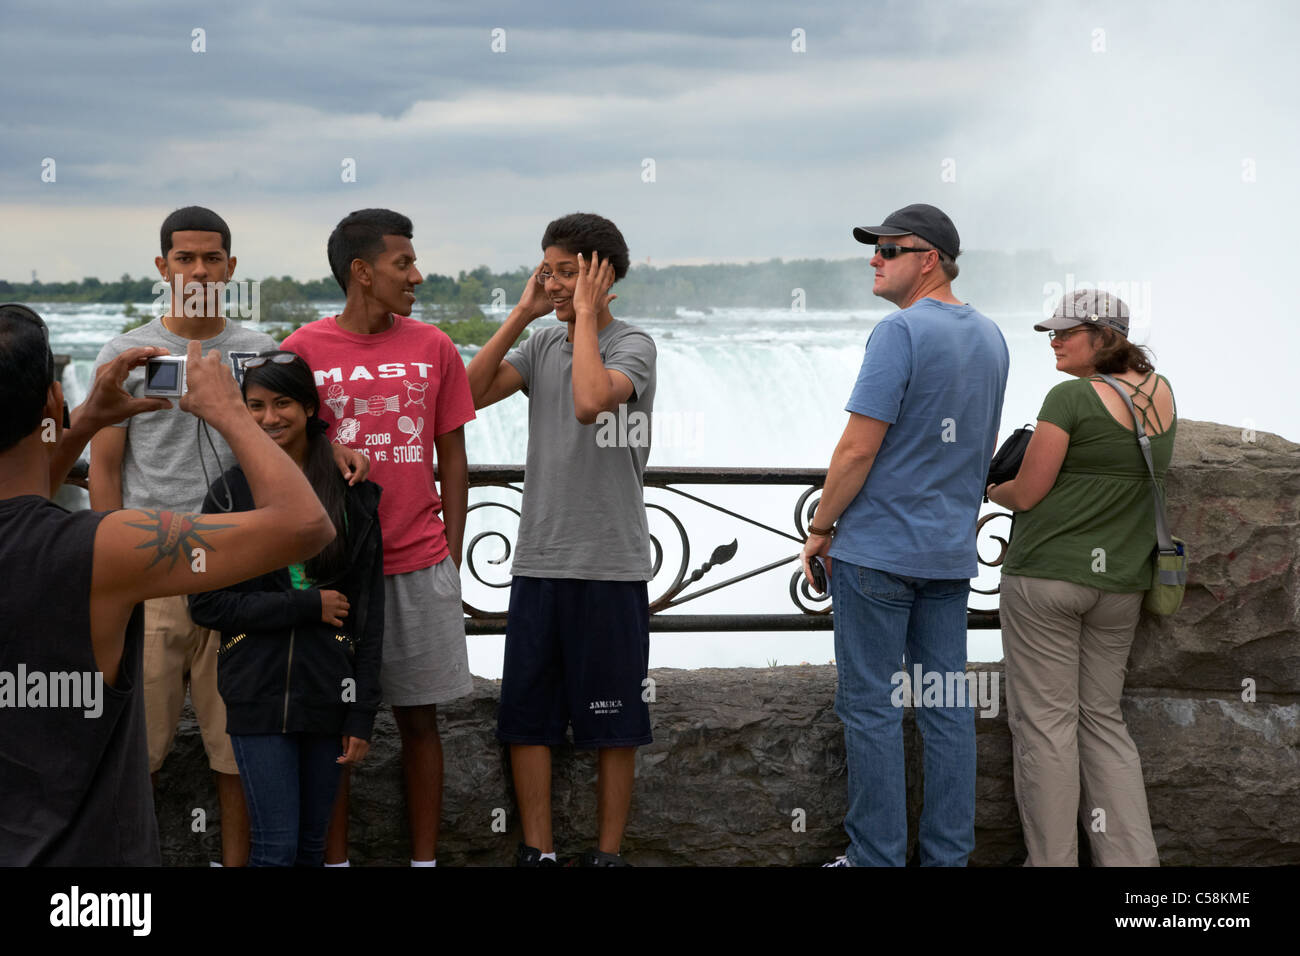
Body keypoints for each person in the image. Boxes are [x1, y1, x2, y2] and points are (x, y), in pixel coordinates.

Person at [0, 304, 335, 865]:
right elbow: (307, 526)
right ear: (53, 400)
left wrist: (82, 424)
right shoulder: (106, 551)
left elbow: (21, 506)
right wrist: (230, 411)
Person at [88, 206, 368, 866]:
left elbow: (297, 441)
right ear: (162, 268)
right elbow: (104, 468)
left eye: (212, 258)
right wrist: (109, 574)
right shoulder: (127, 354)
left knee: (236, 751)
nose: (198, 270)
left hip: (239, 574)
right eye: (184, 258)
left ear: (231, 268)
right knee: (139, 750)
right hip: (151, 580)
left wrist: (347, 452)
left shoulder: (261, 352)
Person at [801, 204, 1009, 867]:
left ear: (928, 259)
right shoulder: (993, 337)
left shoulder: (899, 334)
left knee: (871, 707)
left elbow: (858, 449)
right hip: (948, 554)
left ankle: (877, 858)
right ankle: (947, 859)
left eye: (888, 249)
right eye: (875, 249)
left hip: (878, 553)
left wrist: (821, 525)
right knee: (947, 706)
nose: (875, 258)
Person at [282, 209, 475, 868]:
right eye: (403, 264)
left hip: (418, 564)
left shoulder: (435, 347)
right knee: (336, 725)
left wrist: (452, 540)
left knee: (421, 722)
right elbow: (279, 441)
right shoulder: (302, 350)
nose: (417, 276)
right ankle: (335, 862)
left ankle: (424, 863)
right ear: (362, 272)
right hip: (333, 570)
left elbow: (452, 454)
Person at [466, 212, 656, 867]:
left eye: (568, 272)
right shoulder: (542, 343)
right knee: (528, 716)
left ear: (604, 278)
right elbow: (463, 397)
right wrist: (523, 313)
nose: (553, 283)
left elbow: (589, 400)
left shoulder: (634, 345)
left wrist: (581, 318)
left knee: (615, 724)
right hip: (540, 558)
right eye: (548, 270)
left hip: (610, 563)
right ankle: (536, 852)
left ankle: (607, 855)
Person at [986, 290, 1172, 866]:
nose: (1054, 341)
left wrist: (992, 489)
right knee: (1102, 720)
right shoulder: (1161, 393)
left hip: (1047, 579)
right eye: (1052, 332)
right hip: (1120, 584)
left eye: (1067, 333)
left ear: (1105, 336)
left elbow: (1030, 490)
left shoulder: (1069, 396)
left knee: (1046, 728)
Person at [188, 351, 384, 866]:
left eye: (283, 404)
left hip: (328, 690)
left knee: (312, 848)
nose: (269, 418)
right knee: (275, 849)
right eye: (254, 406)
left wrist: (362, 713)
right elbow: (207, 604)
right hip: (257, 689)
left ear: (309, 408)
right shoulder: (229, 495)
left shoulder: (352, 494)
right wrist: (303, 606)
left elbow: (369, 615)